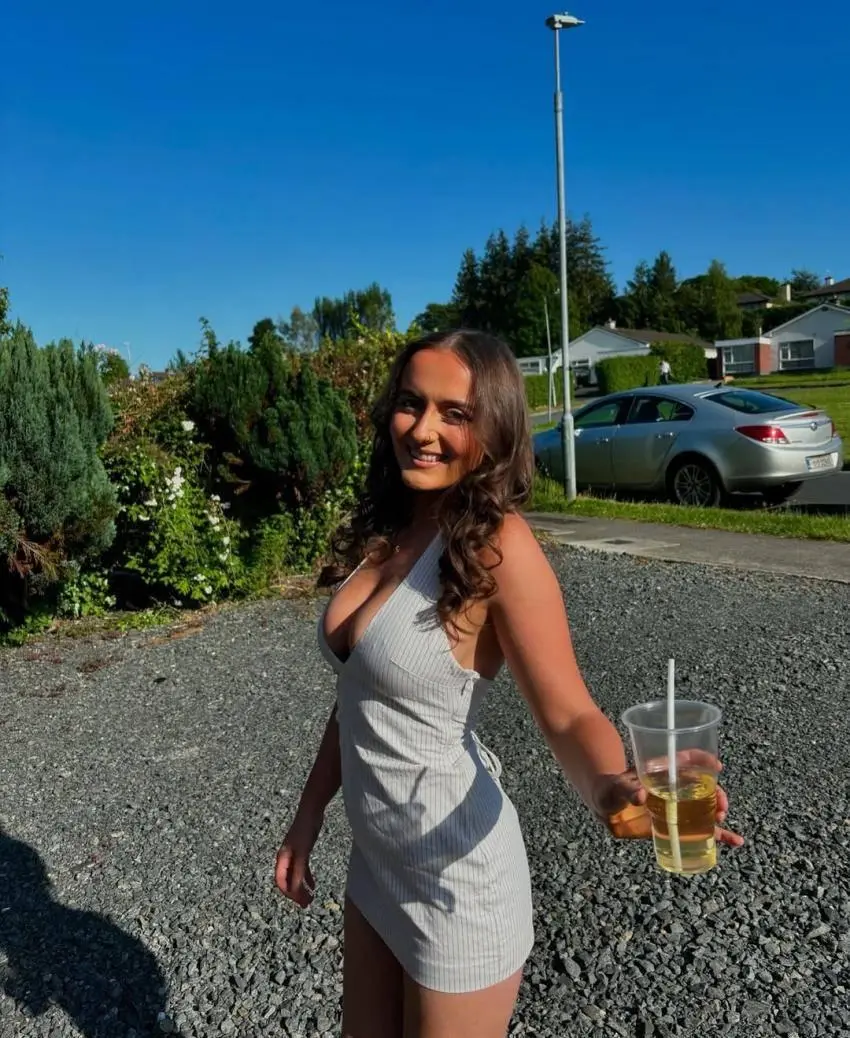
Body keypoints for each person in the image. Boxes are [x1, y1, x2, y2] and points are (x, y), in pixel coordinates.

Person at [274, 329, 743, 1038]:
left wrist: (612, 788)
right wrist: (308, 816)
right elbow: (356, 697)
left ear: (494, 428)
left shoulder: (499, 545)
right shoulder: (393, 521)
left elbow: (568, 712)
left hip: (457, 883)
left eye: (454, 414)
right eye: (410, 403)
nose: (422, 430)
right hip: (375, 865)